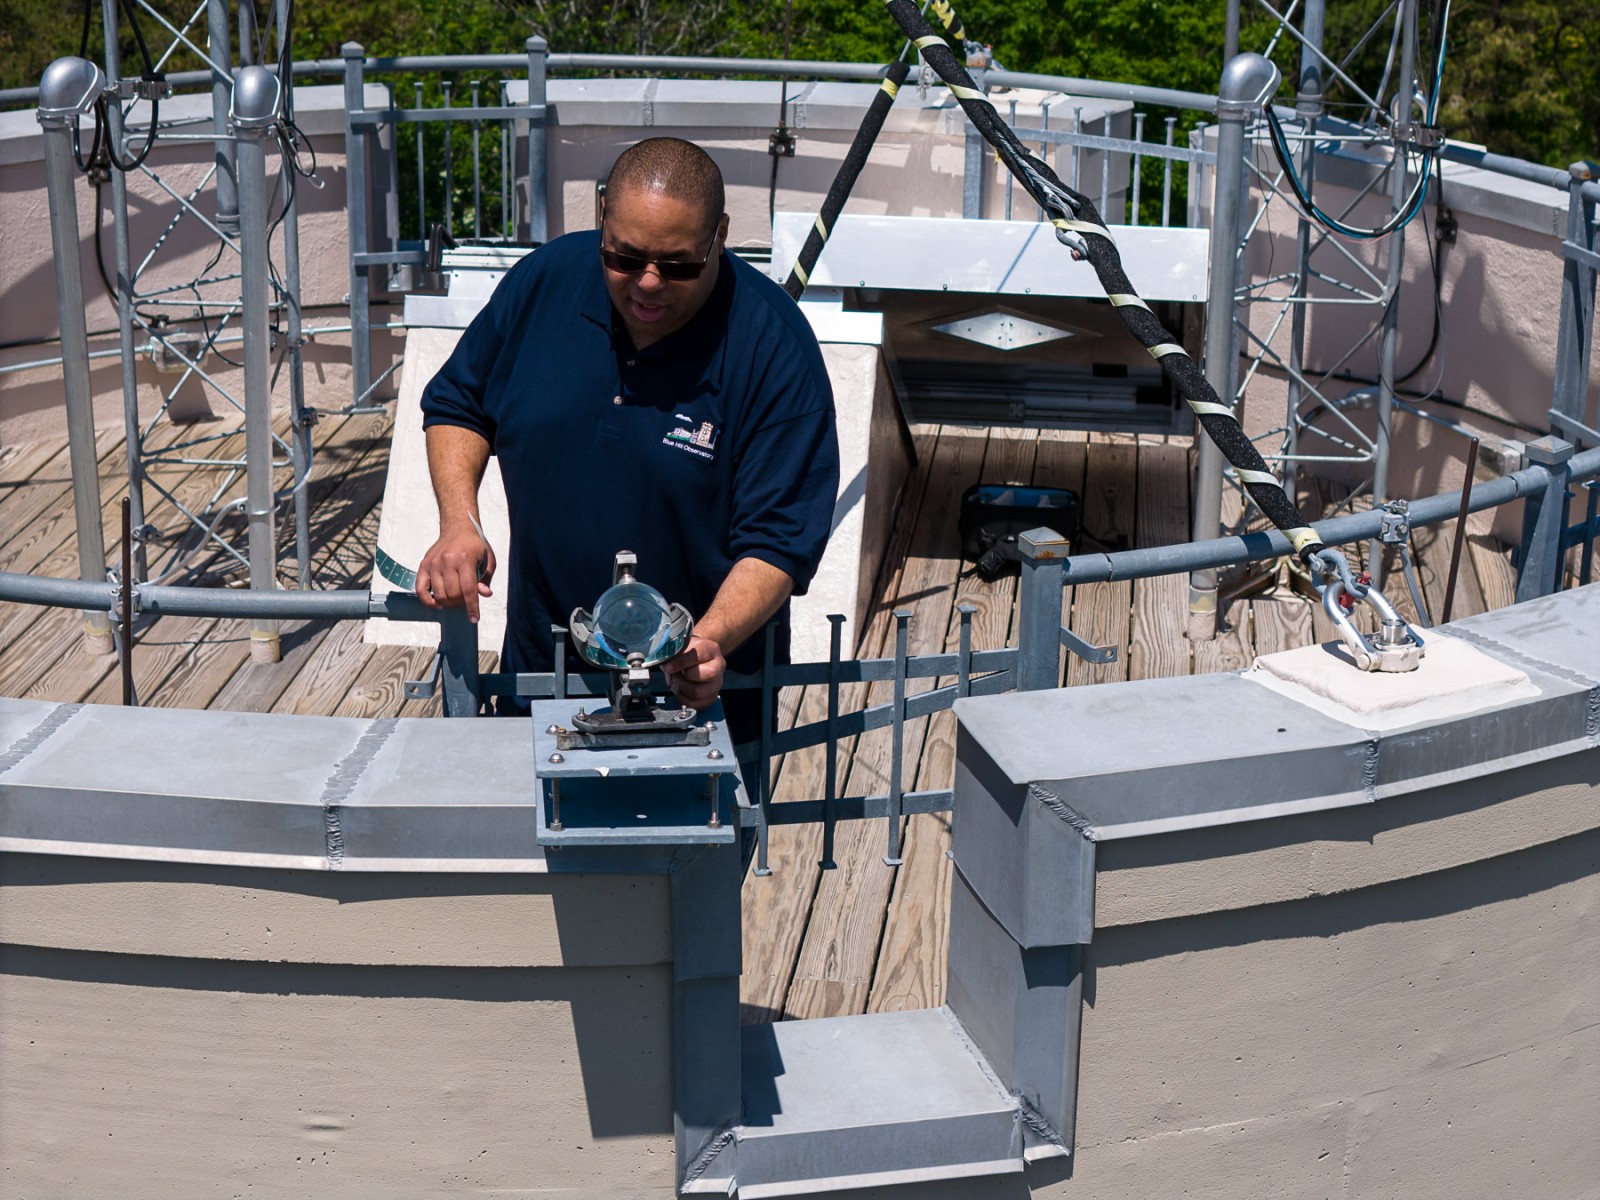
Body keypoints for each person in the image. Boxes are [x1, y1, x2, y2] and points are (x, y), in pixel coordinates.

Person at [415, 136, 839, 741]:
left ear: (719, 235)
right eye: (624, 257)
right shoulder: (545, 282)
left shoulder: (775, 347)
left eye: (678, 264)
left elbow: (779, 542)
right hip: (543, 675)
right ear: (601, 220)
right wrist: (460, 521)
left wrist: (708, 642)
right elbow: (459, 404)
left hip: (697, 701)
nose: (647, 283)